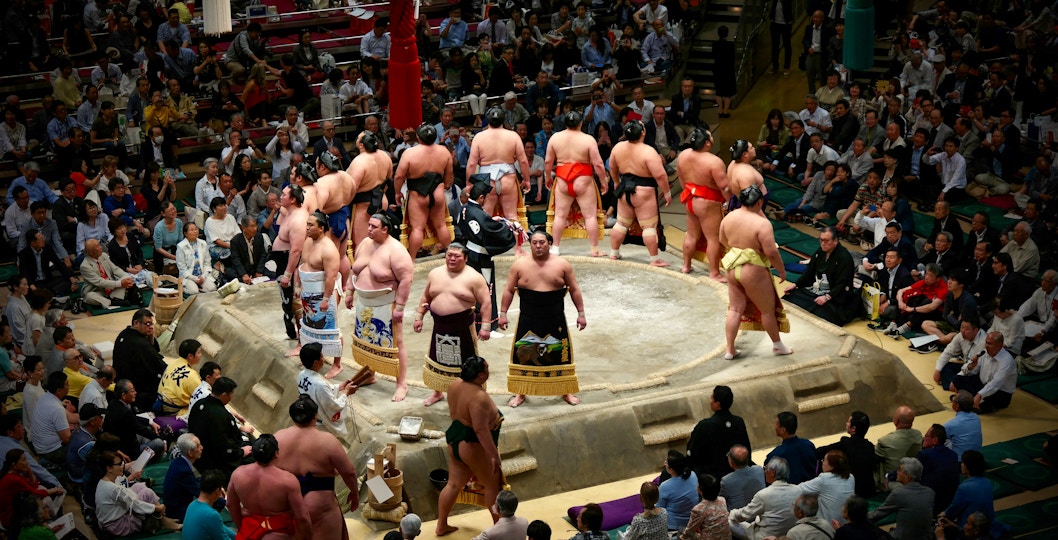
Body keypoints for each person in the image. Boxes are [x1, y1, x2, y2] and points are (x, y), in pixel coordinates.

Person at [499, 230, 585, 407]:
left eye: (542, 243)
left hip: (555, 317)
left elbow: (574, 289)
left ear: (550, 243)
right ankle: (521, 392)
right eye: (534, 243)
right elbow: (509, 290)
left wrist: (581, 314)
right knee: (523, 354)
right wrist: (503, 314)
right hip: (528, 318)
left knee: (560, 353)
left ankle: (565, 390)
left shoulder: (562, 264)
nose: (538, 246)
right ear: (529, 244)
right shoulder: (519, 265)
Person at [719, 186, 792, 359]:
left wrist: (740, 248)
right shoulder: (762, 223)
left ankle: (730, 350)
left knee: (735, 309)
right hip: (752, 270)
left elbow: (722, 240)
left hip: (732, 265)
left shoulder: (729, 216)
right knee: (767, 311)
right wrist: (781, 271)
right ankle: (778, 346)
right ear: (759, 202)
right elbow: (771, 252)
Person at [347, 213, 414, 400]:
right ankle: (370, 374)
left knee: (396, 343)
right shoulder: (365, 243)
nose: (369, 229)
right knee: (368, 341)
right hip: (364, 301)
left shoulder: (396, 250)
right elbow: (355, 269)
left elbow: (406, 279)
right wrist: (350, 291)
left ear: (385, 229)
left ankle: (401, 384)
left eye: (374, 227)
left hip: (386, 303)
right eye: (369, 225)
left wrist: (400, 307)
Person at [415, 244, 491, 406]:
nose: (452, 258)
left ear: (465, 258)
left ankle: (471, 395)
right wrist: (419, 316)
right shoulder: (435, 273)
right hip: (439, 325)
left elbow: (485, 302)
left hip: (462, 326)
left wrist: (485, 326)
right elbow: (426, 297)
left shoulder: (474, 277)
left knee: (467, 362)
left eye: (457, 256)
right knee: (438, 359)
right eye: (449, 255)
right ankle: (437, 392)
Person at [274, 394, 360, 539]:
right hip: (320, 504)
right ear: (315, 416)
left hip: (287, 502)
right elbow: (349, 472)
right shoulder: (327, 441)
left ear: (292, 416)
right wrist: (354, 492)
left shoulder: (277, 438)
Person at [436, 357, 504, 536]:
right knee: (492, 486)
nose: (489, 370)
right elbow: (481, 430)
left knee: (453, 484)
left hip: (455, 439)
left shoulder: (455, 384)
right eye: (487, 368)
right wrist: (493, 455)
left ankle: (441, 525)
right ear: (481, 375)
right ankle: (499, 529)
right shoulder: (479, 398)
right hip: (473, 445)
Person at [455, 179, 517, 331]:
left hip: (469, 253)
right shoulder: (478, 213)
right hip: (481, 257)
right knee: (486, 288)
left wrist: (490, 220)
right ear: (481, 198)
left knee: (470, 287)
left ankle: (471, 322)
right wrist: (509, 226)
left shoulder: (464, 209)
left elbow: (482, 223)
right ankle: (487, 324)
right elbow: (492, 229)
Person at [608, 121, 671, 265]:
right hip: (644, 191)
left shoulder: (618, 147)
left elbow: (612, 167)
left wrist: (617, 182)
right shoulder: (648, 151)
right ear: (643, 132)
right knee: (649, 226)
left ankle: (614, 253)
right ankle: (654, 259)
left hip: (624, 189)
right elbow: (660, 175)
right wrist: (667, 193)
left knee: (621, 224)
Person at [545, 111, 607, 257]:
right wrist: (603, 182)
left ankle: (555, 247)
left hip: (562, 179)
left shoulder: (555, 138)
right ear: (580, 123)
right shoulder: (588, 139)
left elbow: (548, 161)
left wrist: (548, 176)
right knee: (590, 216)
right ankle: (594, 249)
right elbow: (598, 164)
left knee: (560, 215)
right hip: (583, 180)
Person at [227, 435, 311, 539]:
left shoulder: (238, 474)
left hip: (249, 528)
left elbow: (230, 504)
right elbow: (302, 517)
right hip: (278, 533)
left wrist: (241, 528)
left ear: (253, 451)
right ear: (276, 453)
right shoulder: (288, 481)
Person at [292, 212, 344, 378]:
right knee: (310, 327)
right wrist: (298, 285)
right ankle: (313, 357)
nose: (307, 228)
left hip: (324, 293)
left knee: (331, 328)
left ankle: (337, 364)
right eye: (306, 224)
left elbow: (331, 277)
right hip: (308, 291)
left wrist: (326, 299)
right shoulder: (308, 242)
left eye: (311, 225)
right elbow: (302, 264)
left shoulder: (329, 249)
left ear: (321, 228)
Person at [395, 123, 455, 260]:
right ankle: (451, 255)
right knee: (441, 226)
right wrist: (445, 185)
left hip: (417, 195)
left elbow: (399, 176)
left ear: (418, 137)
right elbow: (449, 174)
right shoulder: (444, 151)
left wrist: (398, 192)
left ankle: (411, 260)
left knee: (417, 228)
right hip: (438, 193)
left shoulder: (409, 153)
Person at [467, 107, 531, 234]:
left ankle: (486, 247)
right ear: (503, 119)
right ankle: (518, 249)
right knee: (512, 215)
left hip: (487, 179)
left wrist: (469, 184)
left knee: (485, 215)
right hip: (508, 178)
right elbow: (523, 161)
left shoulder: (479, 137)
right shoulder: (513, 136)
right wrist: (527, 180)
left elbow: (472, 164)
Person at [677, 128, 729, 278]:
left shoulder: (683, 155)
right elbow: (724, 186)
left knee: (691, 235)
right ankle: (714, 273)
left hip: (690, 198)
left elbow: (681, 178)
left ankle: (686, 266)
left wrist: (689, 192)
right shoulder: (714, 161)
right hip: (708, 202)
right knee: (713, 238)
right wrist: (729, 202)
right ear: (707, 143)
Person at [784, 227, 861, 326]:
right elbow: (809, 272)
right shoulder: (820, 252)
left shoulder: (844, 258)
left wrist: (827, 297)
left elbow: (843, 283)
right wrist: (795, 284)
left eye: (826, 240)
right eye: (821, 240)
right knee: (792, 295)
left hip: (835, 295)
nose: (823, 243)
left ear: (836, 240)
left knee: (823, 311)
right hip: (818, 289)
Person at [96, 450, 182, 535]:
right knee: (147, 493)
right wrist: (157, 508)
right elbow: (135, 505)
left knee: (139, 486)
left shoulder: (104, 481)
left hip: (113, 520)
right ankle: (163, 520)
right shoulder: (113, 488)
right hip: (118, 526)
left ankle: (162, 519)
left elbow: (126, 493)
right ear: (109, 468)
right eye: (119, 464)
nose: (122, 466)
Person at [188, 377, 252, 480]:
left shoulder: (200, 403)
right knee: (252, 458)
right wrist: (241, 452)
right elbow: (224, 446)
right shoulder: (220, 415)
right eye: (231, 394)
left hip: (199, 452)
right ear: (224, 395)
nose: (231, 398)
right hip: (212, 460)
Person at [687, 385, 751, 481]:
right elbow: (747, 447)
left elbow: (692, 452)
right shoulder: (738, 421)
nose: (710, 401)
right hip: (737, 470)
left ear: (717, 404)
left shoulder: (704, 425)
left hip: (712, 477)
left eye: (712, 398)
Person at [729, 457, 800, 540]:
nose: (764, 472)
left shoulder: (763, 494)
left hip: (766, 537)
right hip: (791, 533)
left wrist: (731, 513)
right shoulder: (798, 490)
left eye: (765, 469)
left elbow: (743, 515)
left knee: (728, 521)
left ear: (772, 473)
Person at [868, 458, 934, 540]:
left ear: (908, 477)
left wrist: (856, 518)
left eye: (900, 470)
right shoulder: (930, 492)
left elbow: (878, 513)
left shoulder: (899, 493)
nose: (897, 472)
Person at [113, 309, 166, 412]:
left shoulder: (124, 333)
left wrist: (150, 335)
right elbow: (159, 364)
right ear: (136, 323)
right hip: (137, 391)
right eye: (147, 324)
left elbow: (153, 351)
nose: (151, 327)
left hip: (121, 382)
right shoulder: (140, 344)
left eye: (152, 324)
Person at [346, 131, 393, 248]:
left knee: (362, 244)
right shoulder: (385, 156)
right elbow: (388, 179)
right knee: (380, 240)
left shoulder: (359, 161)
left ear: (361, 145)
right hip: (382, 201)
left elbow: (351, 189)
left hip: (365, 206)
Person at [950, 331, 1016, 413]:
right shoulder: (984, 353)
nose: (986, 346)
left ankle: (975, 403)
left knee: (989, 397)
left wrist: (979, 395)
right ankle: (972, 401)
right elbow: (966, 370)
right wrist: (971, 367)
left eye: (990, 344)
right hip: (982, 384)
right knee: (957, 379)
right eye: (986, 343)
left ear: (1000, 346)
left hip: (1000, 393)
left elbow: (995, 384)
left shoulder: (1007, 361)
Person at [815, 411, 877, 498]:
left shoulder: (846, 444)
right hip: (869, 490)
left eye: (848, 422)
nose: (846, 423)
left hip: (851, 492)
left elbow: (819, 452)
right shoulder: (870, 446)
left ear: (853, 428)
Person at [104, 378, 167, 463]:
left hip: (120, 443)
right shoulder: (125, 412)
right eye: (132, 391)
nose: (135, 393)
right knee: (159, 443)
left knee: (150, 430)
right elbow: (141, 429)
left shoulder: (113, 403)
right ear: (124, 395)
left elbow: (133, 418)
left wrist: (150, 422)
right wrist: (162, 439)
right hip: (128, 452)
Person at [275, 185, 309, 340]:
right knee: (288, 303)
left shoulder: (298, 220)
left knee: (296, 304)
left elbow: (296, 250)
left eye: (284, 194)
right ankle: (295, 334)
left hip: (292, 264)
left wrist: (288, 275)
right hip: (282, 260)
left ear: (293, 199)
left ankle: (303, 340)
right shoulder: (290, 212)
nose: (280, 196)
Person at [80, 237, 140, 309]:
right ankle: (112, 302)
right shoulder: (85, 266)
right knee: (90, 297)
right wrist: (120, 284)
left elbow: (115, 269)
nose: (101, 247)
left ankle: (116, 298)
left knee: (125, 278)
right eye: (98, 246)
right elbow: (99, 282)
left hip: (112, 287)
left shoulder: (104, 255)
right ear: (91, 252)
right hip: (97, 290)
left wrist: (127, 277)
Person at [797, 450, 854, 525]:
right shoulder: (851, 477)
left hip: (829, 526)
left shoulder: (824, 479)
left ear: (832, 466)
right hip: (847, 522)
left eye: (824, 460)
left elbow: (798, 489)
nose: (822, 463)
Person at [875, 406, 923, 489]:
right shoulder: (919, 435)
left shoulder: (885, 441)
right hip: (914, 478)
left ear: (896, 420)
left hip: (893, 481)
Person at [182, 469, 236, 539]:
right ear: (217, 491)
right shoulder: (211, 515)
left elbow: (220, 526)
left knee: (233, 531)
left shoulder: (192, 505)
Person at [766, 411, 816, 484]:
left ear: (783, 430)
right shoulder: (809, 445)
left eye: (776, 424)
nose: (774, 427)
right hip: (813, 490)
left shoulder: (775, 455)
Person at [163, 433, 203, 521]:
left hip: (175, 504)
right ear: (190, 452)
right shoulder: (184, 471)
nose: (201, 448)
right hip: (178, 512)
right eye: (198, 446)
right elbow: (201, 494)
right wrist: (225, 503)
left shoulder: (177, 461)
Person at [659, 450, 699, 531]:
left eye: (666, 462)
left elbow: (659, 509)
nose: (664, 463)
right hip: (692, 520)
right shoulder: (693, 474)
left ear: (671, 470)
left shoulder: (665, 486)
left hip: (673, 526)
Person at [681, 474, 729, 540]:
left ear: (700, 488)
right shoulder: (722, 500)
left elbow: (689, 532)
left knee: (681, 531)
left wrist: (681, 538)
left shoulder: (698, 509)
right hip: (726, 537)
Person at [719, 445, 766, 512]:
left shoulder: (726, 481)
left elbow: (721, 501)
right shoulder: (759, 470)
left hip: (739, 518)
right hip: (760, 512)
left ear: (732, 463)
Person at [177, 222, 217, 294]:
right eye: (192, 230)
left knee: (212, 288)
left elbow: (207, 262)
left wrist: (203, 276)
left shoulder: (203, 243)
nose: (195, 231)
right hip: (188, 276)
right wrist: (194, 278)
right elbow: (182, 267)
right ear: (185, 234)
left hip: (201, 275)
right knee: (194, 291)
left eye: (196, 229)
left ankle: (200, 288)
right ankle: (182, 288)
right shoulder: (181, 246)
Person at [943, 391, 983, 460]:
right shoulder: (976, 417)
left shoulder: (952, 424)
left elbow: (936, 438)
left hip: (959, 461)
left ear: (957, 406)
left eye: (953, 400)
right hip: (976, 458)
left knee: (939, 441)